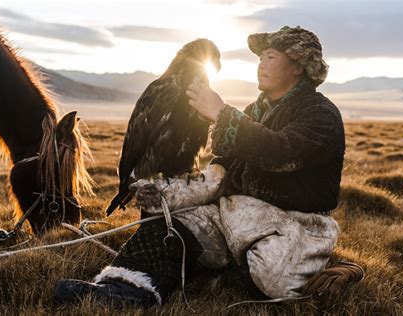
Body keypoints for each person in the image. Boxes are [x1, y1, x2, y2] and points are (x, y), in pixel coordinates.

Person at [54, 26, 363, 308]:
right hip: (237, 214)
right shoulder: (255, 110)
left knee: (273, 282)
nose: (261, 63)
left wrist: (221, 113)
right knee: (171, 222)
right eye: (260, 57)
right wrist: (174, 193)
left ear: (297, 65)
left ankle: (335, 265)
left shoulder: (320, 114)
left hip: (295, 223)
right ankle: (124, 287)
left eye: (270, 56)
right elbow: (223, 167)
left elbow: (280, 153)